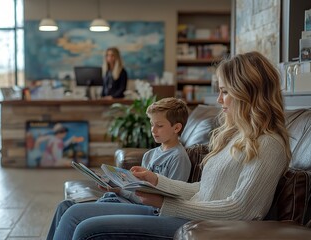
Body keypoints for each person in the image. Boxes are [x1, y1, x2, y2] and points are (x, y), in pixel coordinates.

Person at [50, 51, 292, 240]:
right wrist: (156, 182)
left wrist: (165, 203)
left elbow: (241, 211)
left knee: (86, 228)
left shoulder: (269, 144)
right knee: (71, 212)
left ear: (247, 93)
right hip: (191, 216)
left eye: (225, 92)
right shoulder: (238, 137)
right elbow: (204, 189)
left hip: (202, 226)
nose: (219, 100)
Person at [46, 97, 191, 239]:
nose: (153, 130)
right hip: (124, 200)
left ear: (176, 127)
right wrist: (115, 184)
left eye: (159, 126)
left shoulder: (178, 157)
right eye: (151, 124)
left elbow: (168, 202)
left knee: (74, 213)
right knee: (64, 206)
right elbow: (139, 188)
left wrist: (121, 190)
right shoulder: (150, 154)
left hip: (148, 210)